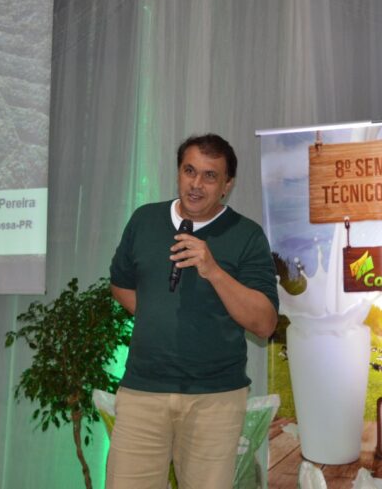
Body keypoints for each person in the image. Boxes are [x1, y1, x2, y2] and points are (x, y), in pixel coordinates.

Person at [106, 134, 279, 489]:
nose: (196, 184)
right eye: (189, 171)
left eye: (210, 176)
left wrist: (213, 270)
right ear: (178, 173)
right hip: (142, 391)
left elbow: (265, 323)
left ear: (227, 185)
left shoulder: (246, 235)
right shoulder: (145, 220)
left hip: (214, 399)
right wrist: (160, 317)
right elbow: (120, 285)